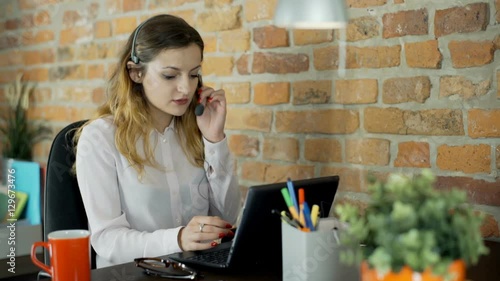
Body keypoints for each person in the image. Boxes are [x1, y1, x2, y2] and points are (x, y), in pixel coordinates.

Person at [74, 14, 241, 268]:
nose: (186, 88)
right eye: (170, 76)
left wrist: (214, 139)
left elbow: (226, 218)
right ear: (135, 73)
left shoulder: (195, 127)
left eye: (194, 74)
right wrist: (179, 238)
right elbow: (107, 240)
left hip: (193, 270)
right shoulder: (100, 138)